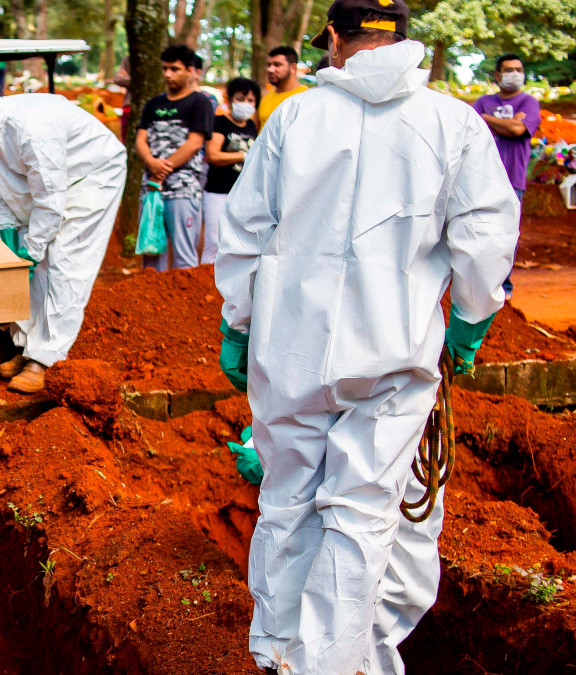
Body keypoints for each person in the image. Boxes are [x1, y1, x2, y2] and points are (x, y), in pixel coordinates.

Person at [215, 0, 520, 672]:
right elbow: (485, 238)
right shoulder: (452, 123)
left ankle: (277, 654)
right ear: (404, 38)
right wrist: (469, 321)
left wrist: (236, 323)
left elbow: (244, 232)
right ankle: (332, 662)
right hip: (393, 353)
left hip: (290, 352)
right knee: (361, 516)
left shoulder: (293, 116)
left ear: (331, 37)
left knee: (289, 498)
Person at [0, 72, 126, 395]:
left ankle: (44, 359)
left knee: (64, 264)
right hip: (52, 188)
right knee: (26, 265)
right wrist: (10, 238)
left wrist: (33, 251)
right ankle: (25, 347)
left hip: (90, 178)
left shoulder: (31, 130)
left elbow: (50, 200)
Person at [136, 44, 214, 271]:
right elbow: (141, 139)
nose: (168, 74)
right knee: (151, 253)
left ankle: (185, 306)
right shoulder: (153, 104)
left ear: (190, 70)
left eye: (175, 69)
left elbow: (194, 144)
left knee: (184, 258)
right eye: (165, 68)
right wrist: (151, 163)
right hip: (151, 189)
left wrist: (161, 169)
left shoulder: (200, 102)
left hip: (183, 189)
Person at [473, 53, 538, 300]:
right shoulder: (483, 100)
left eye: (519, 69)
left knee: (507, 235)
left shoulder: (529, 102)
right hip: (481, 177)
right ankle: (479, 286)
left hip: (513, 178)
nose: (515, 74)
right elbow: (472, 127)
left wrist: (488, 119)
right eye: (509, 69)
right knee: (479, 231)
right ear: (498, 75)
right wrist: (508, 122)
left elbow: (519, 129)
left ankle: (503, 287)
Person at [201, 77, 259, 266]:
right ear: (230, 99)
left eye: (251, 101)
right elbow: (213, 155)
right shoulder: (219, 122)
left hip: (242, 194)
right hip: (217, 191)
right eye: (241, 99)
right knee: (214, 240)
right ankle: (205, 282)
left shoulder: (251, 126)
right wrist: (243, 156)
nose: (246, 104)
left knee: (236, 242)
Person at [257, 45, 308, 130]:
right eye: (269, 65)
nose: (270, 69)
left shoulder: (306, 96)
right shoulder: (264, 95)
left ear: (293, 67)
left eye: (277, 65)